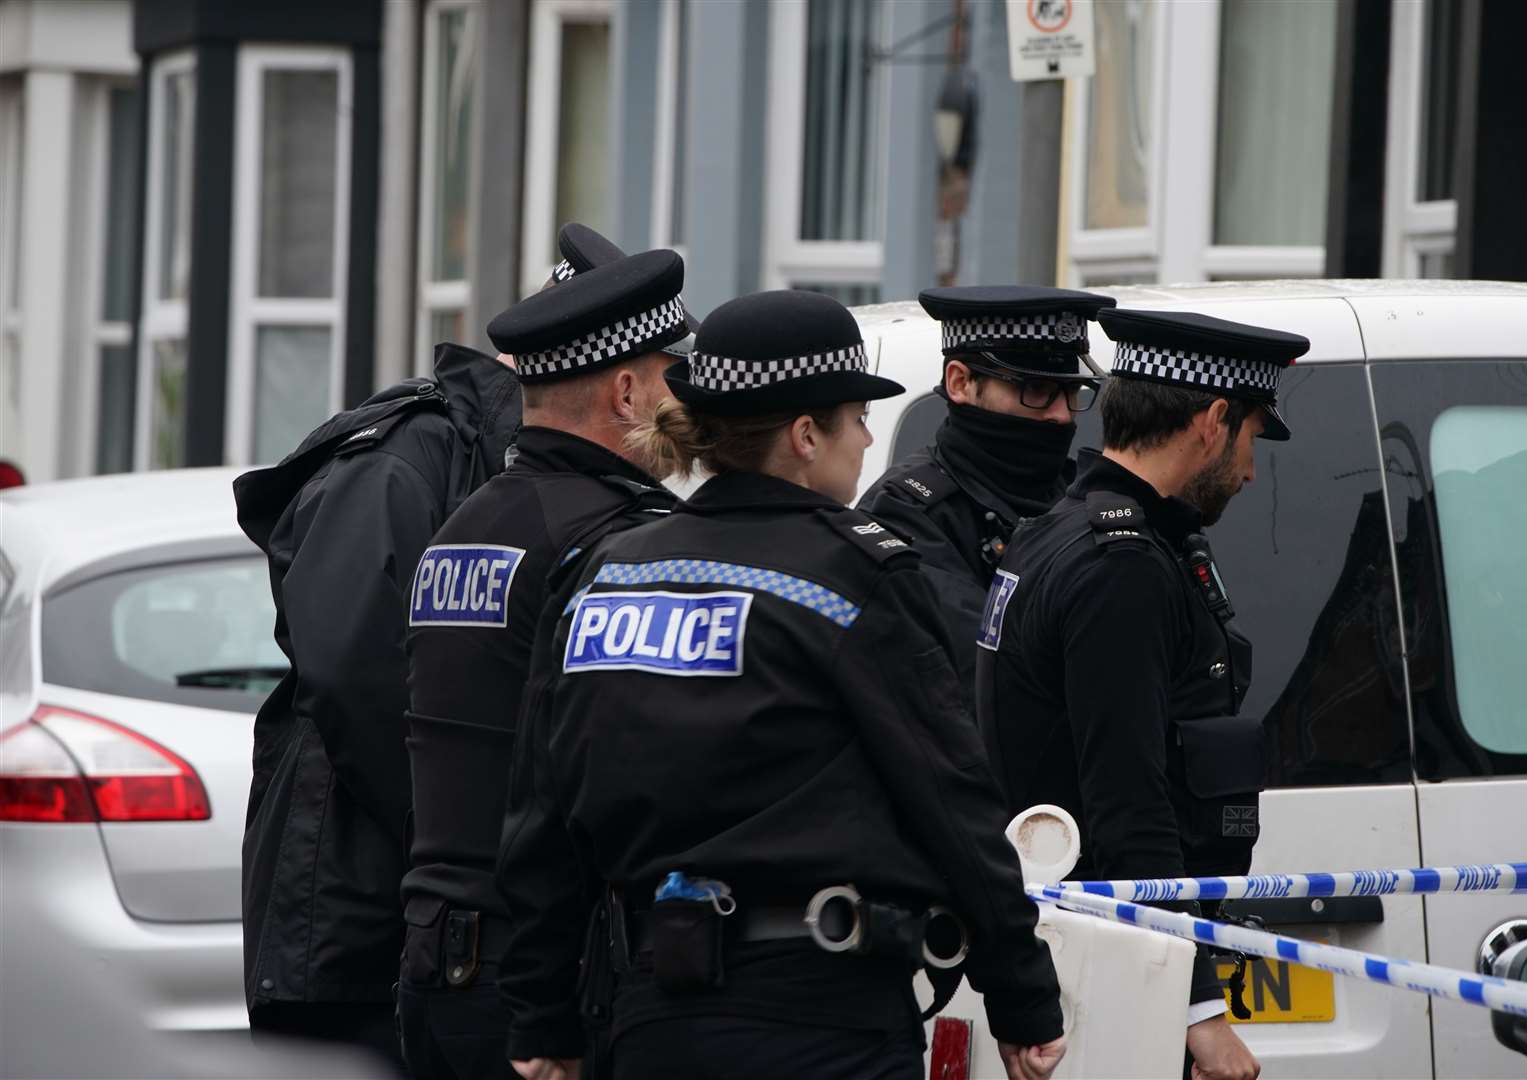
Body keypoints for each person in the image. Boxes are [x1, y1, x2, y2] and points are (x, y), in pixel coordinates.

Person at [502, 290, 1067, 1080]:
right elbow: (950, 798)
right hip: (822, 1020)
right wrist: (1022, 997)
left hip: (648, 1017)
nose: (870, 438)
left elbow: (541, 813)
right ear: (806, 435)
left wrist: (541, 1016)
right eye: (856, 418)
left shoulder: (607, 575)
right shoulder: (853, 576)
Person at [976, 307, 1307, 1080]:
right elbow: (1129, 801)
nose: (1252, 468)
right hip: (1109, 970)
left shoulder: (1065, 529)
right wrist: (1197, 1011)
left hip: (1081, 947)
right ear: (1214, 420)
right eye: (1253, 436)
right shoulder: (1120, 566)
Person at [397, 242, 694, 1080]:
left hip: (439, 963)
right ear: (628, 391)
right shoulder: (617, 545)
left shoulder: (464, 527)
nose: (688, 400)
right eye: (673, 376)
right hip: (550, 982)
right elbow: (619, 775)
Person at [233, 339, 522, 1069]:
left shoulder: (482, 455)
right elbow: (354, 674)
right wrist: (450, 833)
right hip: (344, 907)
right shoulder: (408, 453)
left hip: (389, 904)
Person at [858, 286, 1113, 687]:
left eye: (1071, 393)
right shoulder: (905, 513)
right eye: (1037, 391)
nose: (1061, 415)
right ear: (960, 382)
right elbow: (994, 679)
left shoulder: (1084, 496)